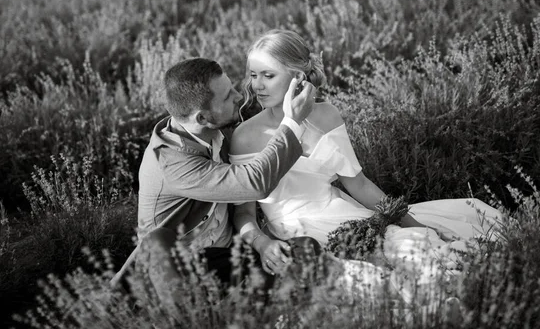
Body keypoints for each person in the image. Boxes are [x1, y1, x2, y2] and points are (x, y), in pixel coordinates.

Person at [229, 29, 502, 307]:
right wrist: (262, 244)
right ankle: (429, 308)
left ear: (297, 75)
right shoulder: (244, 136)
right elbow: (244, 212)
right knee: (366, 280)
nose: (258, 85)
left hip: (346, 216)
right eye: (253, 75)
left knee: (412, 247)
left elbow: (357, 184)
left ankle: (451, 301)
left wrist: (414, 225)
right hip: (298, 233)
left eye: (268, 75)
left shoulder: (326, 115)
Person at [110, 57, 321, 308]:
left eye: (232, 87)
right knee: (157, 241)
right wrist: (292, 122)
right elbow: (255, 182)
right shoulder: (171, 161)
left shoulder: (221, 130)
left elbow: (242, 209)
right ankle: (191, 321)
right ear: (202, 118)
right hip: (173, 275)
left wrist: (261, 243)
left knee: (304, 249)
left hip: (223, 260)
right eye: (227, 96)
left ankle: (243, 315)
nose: (239, 96)